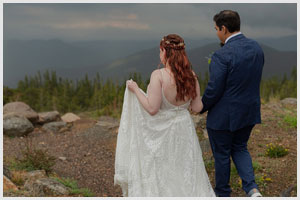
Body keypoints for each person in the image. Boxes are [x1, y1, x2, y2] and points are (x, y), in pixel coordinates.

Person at [114, 34, 215, 197]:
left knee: (162, 168)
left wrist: (135, 89)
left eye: (160, 51)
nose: (159, 55)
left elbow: (152, 108)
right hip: (184, 127)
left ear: (164, 52)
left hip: (162, 131)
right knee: (185, 167)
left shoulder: (159, 75)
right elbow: (197, 107)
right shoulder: (192, 76)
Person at [200, 10, 264, 197]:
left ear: (224, 28)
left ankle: (223, 193)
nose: (216, 33)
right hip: (249, 111)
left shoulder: (222, 55)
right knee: (240, 147)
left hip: (224, 117)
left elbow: (214, 89)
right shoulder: (256, 48)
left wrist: (202, 106)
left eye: (216, 29)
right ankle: (252, 189)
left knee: (221, 155)